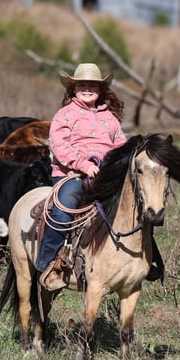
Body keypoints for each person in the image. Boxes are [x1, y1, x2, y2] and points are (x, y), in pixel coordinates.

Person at [35, 62, 127, 290]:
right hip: (72, 174)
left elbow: (121, 146)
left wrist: (118, 165)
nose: (87, 89)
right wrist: (83, 165)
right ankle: (46, 266)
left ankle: (144, 260)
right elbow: (58, 144)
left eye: (92, 85)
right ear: (73, 89)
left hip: (105, 176)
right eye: (82, 85)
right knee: (63, 210)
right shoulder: (65, 115)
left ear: (101, 90)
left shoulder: (111, 119)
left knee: (136, 206)